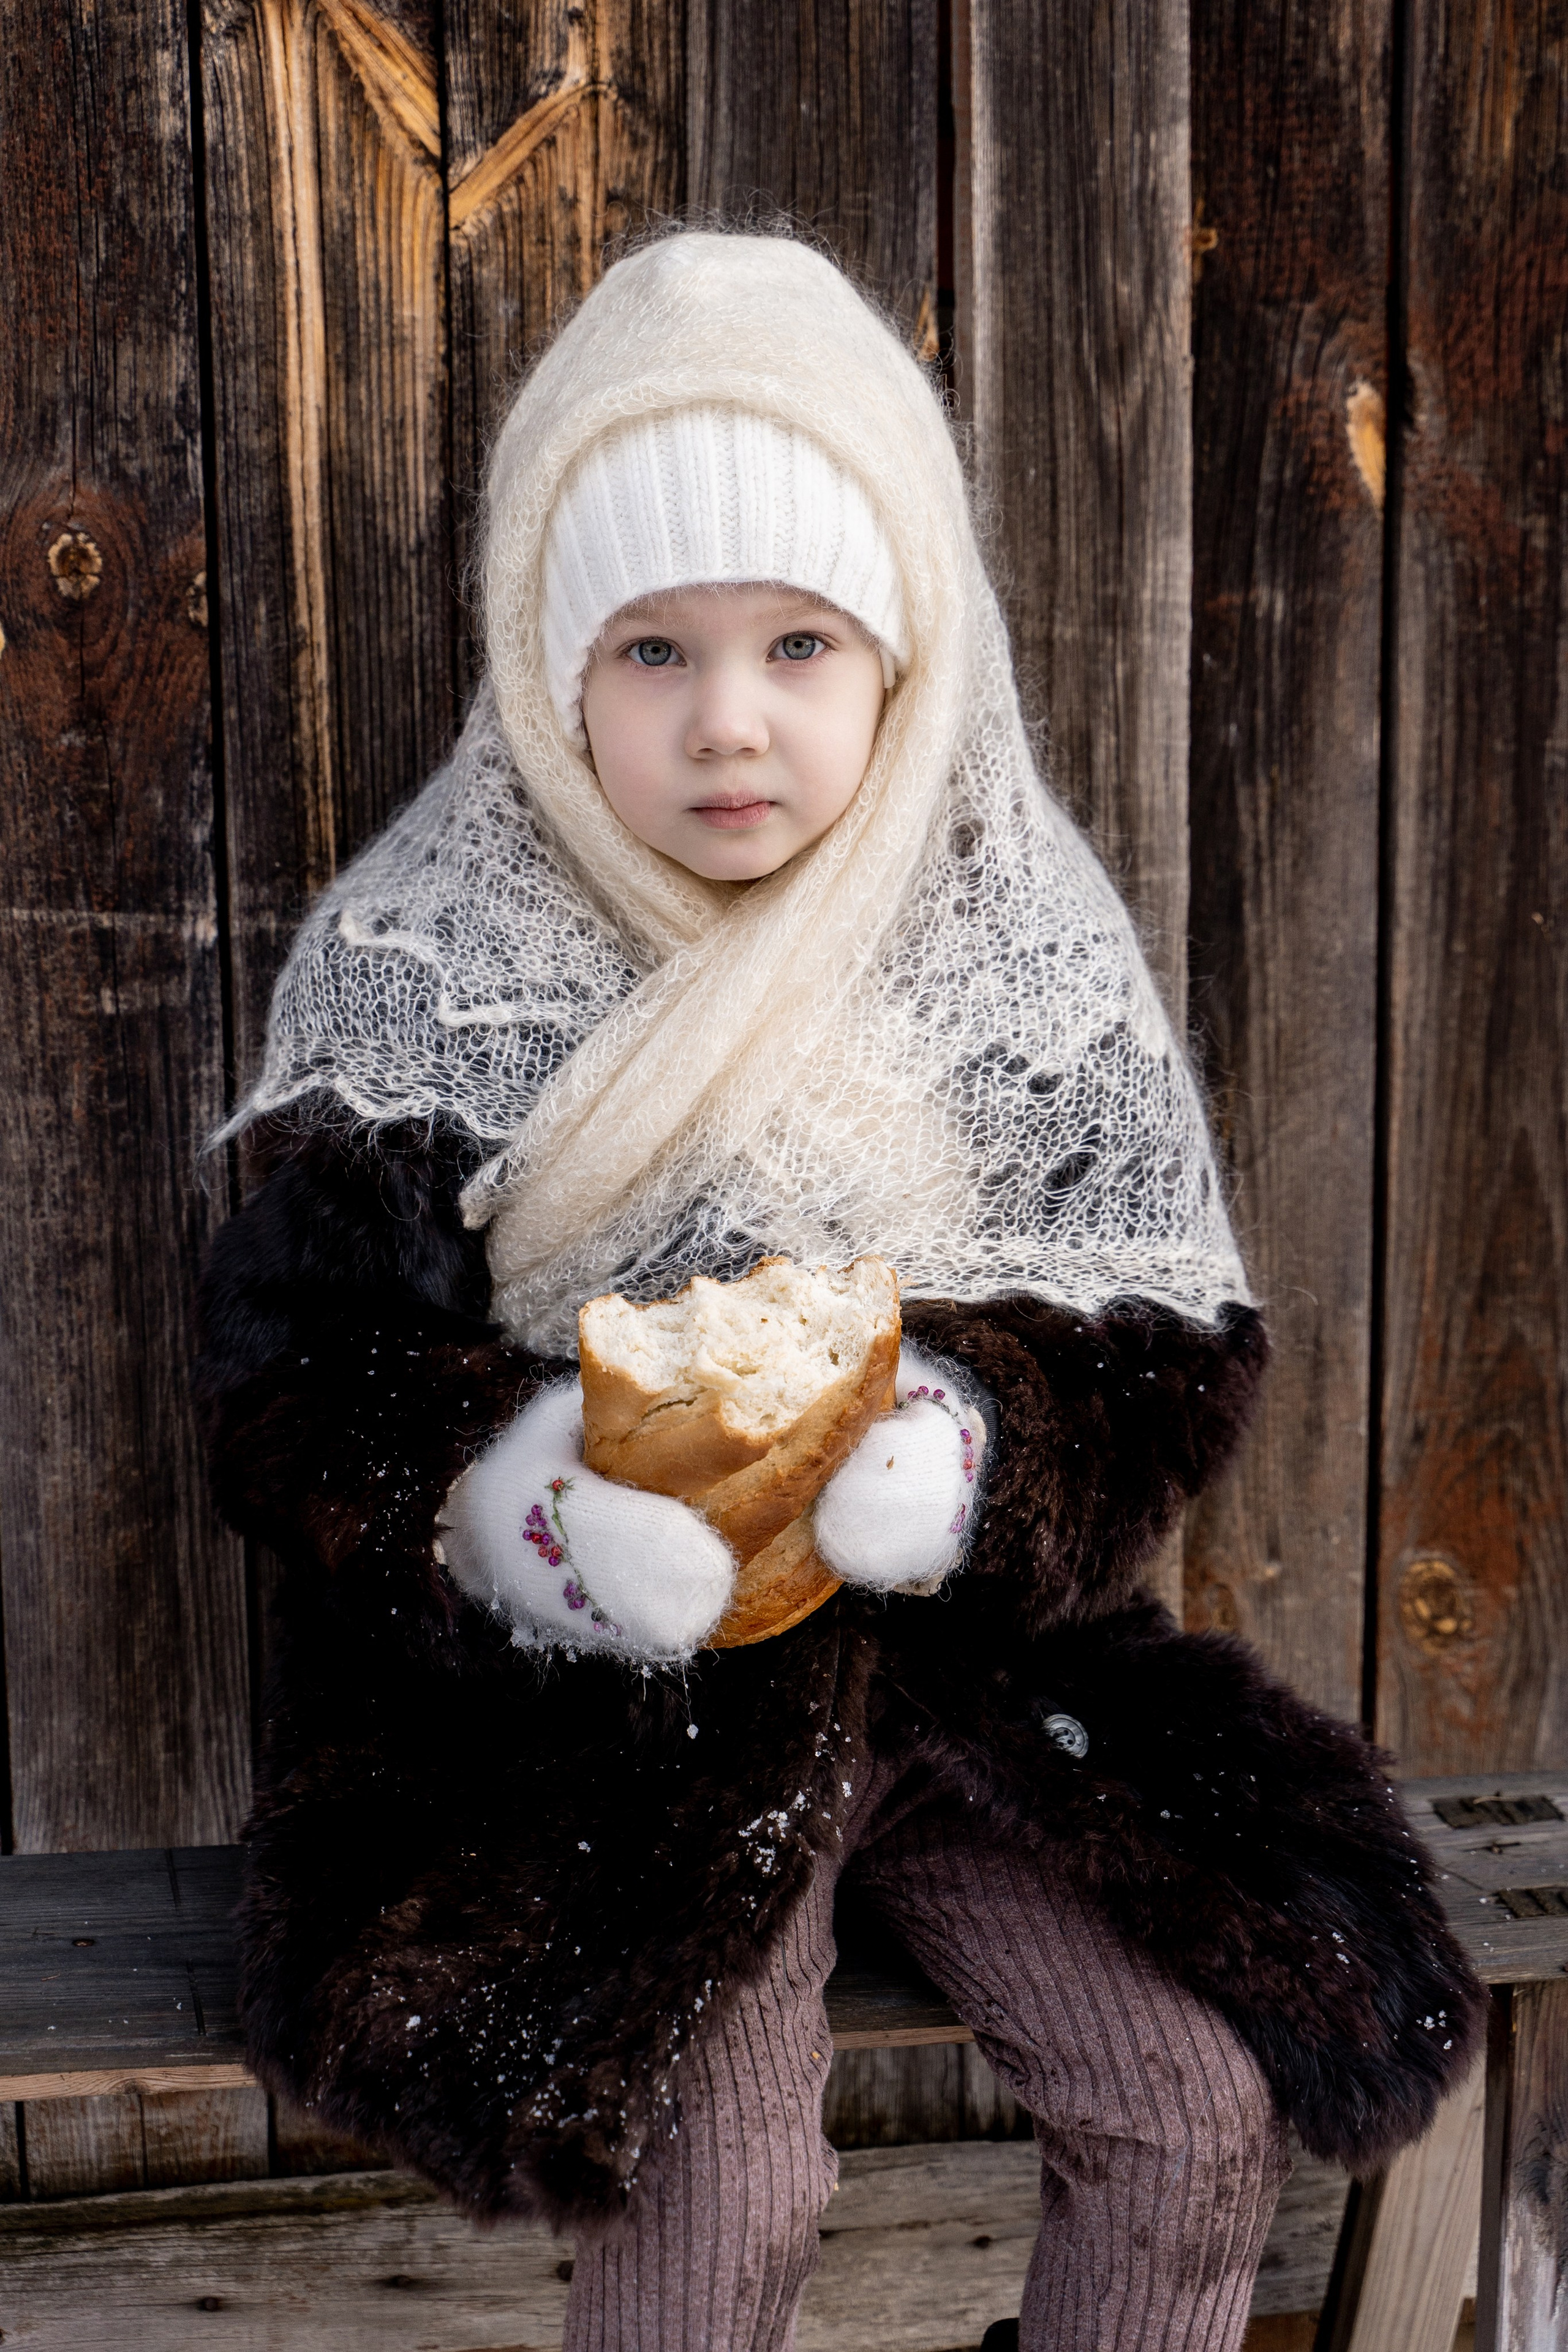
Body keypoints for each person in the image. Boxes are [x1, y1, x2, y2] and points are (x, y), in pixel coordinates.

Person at [198, 229, 1478, 2351]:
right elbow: (296, 1365)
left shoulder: (1005, 950)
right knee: (729, 2190)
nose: (729, 725)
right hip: (604, 1714)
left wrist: (974, 1446)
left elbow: (1160, 1338)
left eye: (801, 644)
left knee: (1190, 2116)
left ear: (906, 657)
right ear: (547, 666)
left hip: (962, 1672)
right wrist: (519, 1511)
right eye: (650, 653)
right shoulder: (432, 962)